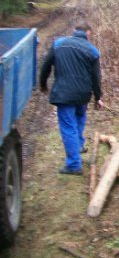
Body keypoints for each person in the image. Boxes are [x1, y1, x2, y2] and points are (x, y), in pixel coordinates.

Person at [39, 21, 103, 175]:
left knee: (68, 127)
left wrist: (43, 83)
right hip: (83, 94)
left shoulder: (59, 44)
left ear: (74, 31)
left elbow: (46, 65)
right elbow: (96, 77)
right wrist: (98, 97)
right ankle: (78, 146)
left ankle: (74, 165)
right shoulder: (92, 50)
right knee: (79, 118)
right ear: (88, 34)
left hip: (64, 93)